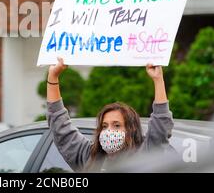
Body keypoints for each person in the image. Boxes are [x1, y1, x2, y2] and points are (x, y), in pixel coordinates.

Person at [46, 57, 175, 172]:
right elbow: (60, 126)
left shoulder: (145, 155)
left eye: (117, 125)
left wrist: (158, 80)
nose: (109, 131)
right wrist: (53, 77)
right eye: (104, 126)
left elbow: (161, 125)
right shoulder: (90, 157)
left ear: (131, 129)